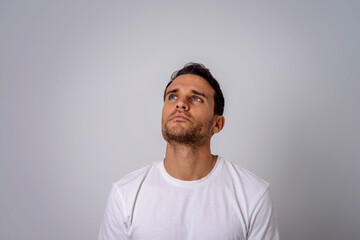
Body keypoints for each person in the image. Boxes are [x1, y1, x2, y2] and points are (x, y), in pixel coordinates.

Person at [99, 63, 279, 240]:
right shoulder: (125, 194)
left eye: (196, 98)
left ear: (217, 124)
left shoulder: (253, 194)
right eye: (172, 97)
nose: (181, 104)